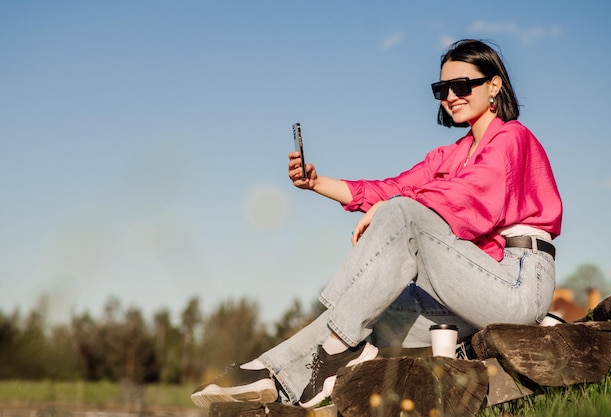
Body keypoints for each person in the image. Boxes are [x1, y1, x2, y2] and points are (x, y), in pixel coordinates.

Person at [190, 39, 562, 409]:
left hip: (517, 284)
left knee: (401, 216)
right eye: (441, 88)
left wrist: (393, 211)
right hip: (468, 288)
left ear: (493, 85)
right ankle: (271, 374)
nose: (450, 95)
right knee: (370, 306)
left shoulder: (513, 138)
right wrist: (317, 182)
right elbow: (394, 189)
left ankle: (337, 354)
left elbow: (472, 198)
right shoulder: (449, 155)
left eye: (461, 85)